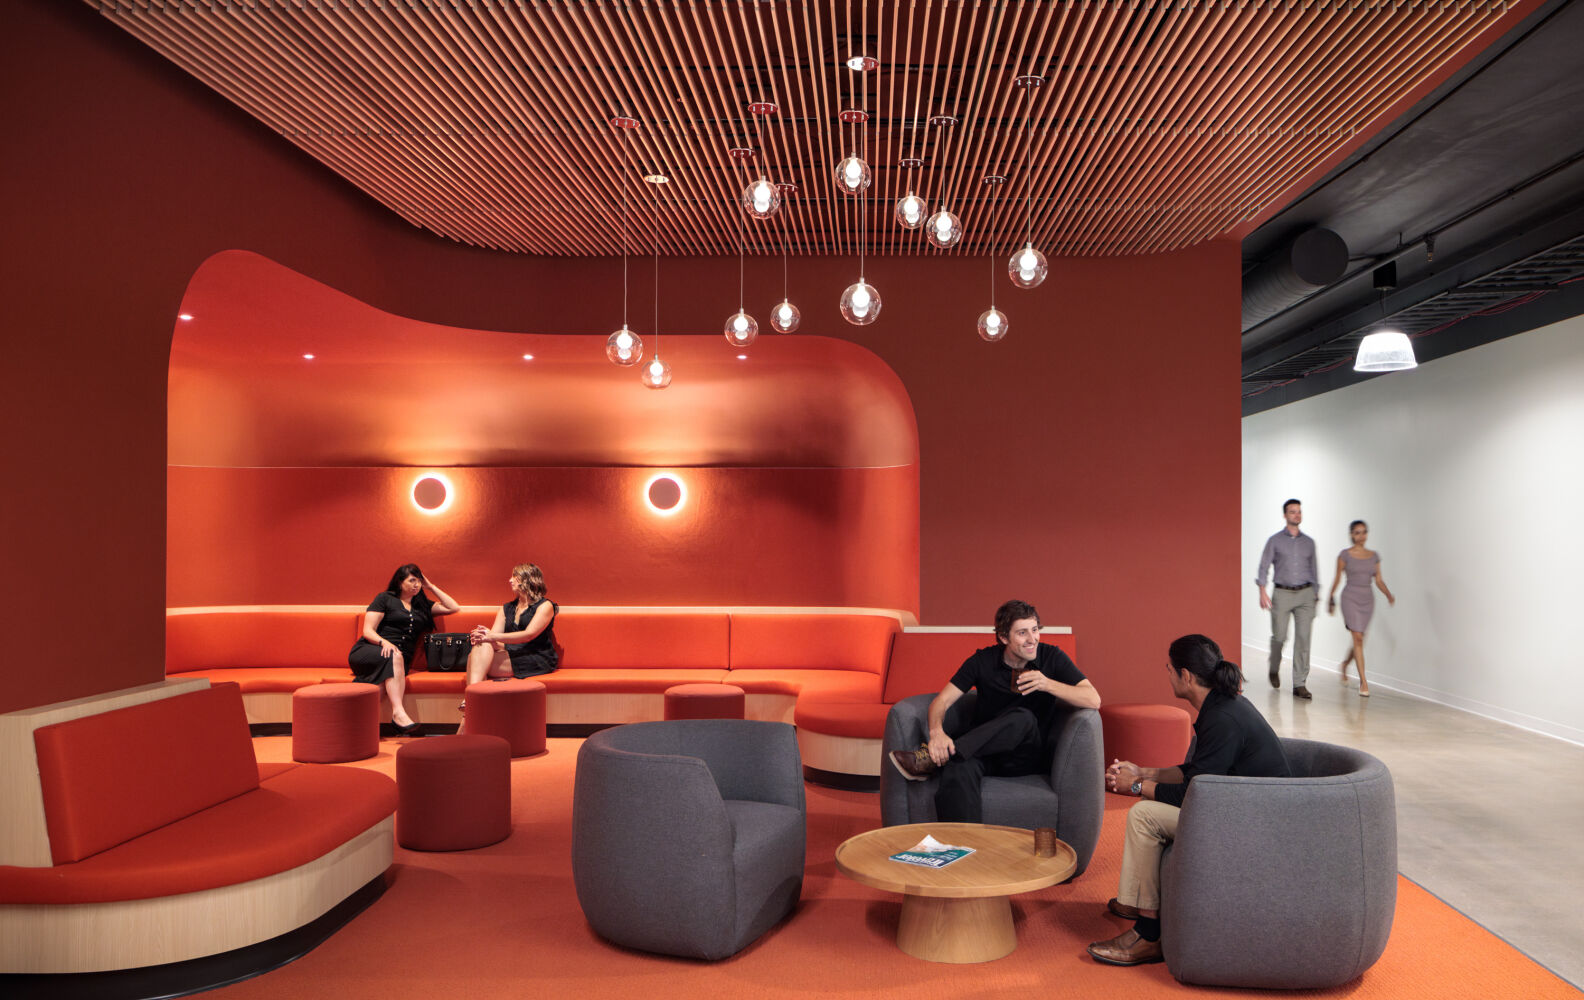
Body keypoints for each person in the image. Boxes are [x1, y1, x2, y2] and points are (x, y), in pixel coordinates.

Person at [1086, 634, 1291, 967]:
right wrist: (1144, 771)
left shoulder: (1222, 719)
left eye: (1169, 669)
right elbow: (1197, 772)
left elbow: (1191, 796)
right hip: (1239, 807)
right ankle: (1134, 900)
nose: (1167, 675)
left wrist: (1135, 786)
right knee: (1147, 810)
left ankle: (1149, 935)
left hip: (1255, 824)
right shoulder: (1222, 706)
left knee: (1144, 816)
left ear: (1186, 676)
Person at [887, 599, 1101, 823]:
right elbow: (941, 702)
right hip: (983, 752)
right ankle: (963, 842)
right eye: (1022, 633)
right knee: (958, 769)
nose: (1032, 639)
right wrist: (937, 733)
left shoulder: (1051, 657)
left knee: (1024, 717)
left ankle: (938, 758)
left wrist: (1047, 684)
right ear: (1003, 637)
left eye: (1035, 630)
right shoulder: (982, 661)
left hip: (1026, 755)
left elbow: (1093, 699)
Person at [348, 564, 460, 735]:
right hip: (371, 650)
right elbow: (368, 631)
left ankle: (358, 727)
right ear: (400, 582)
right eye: (412, 580)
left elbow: (453, 607)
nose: (417, 585)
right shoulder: (385, 598)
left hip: (399, 659)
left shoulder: (422, 605)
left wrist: (431, 586)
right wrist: (384, 643)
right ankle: (398, 713)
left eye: (419, 581)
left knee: (382, 684)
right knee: (394, 658)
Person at [1255, 498, 1320, 699]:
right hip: (1282, 594)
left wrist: (1316, 594)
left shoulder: (1309, 543)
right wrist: (1262, 590)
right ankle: (1274, 667)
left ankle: (1299, 684)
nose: (1297, 515)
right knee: (1280, 636)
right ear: (1285, 515)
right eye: (1292, 511)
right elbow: (1264, 566)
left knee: (1303, 639)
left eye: (1299, 511)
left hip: (1305, 594)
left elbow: (1314, 569)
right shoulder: (1274, 541)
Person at [464, 563, 558, 697]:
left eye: (514, 576)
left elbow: (529, 635)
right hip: (512, 652)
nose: (510, 580)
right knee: (482, 647)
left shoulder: (545, 606)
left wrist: (491, 636)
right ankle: (473, 700)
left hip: (536, 655)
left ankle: (471, 700)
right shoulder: (506, 608)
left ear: (527, 579)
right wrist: (484, 636)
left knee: (475, 661)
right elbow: (493, 639)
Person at [1326, 520, 1396, 698]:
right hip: (1350, 598)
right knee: (1357, 637)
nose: (1361, 536)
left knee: (1359, 639)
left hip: (1367, 600)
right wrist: (1330, 597)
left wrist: (1388, 594)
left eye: (1364, 532)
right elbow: (1337, 578)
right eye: (1357, 532)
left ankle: (1344, 665)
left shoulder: (1374, 556)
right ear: (1351, 535)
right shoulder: (1345, 555)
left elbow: (1378, 580)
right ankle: (1363, 681)